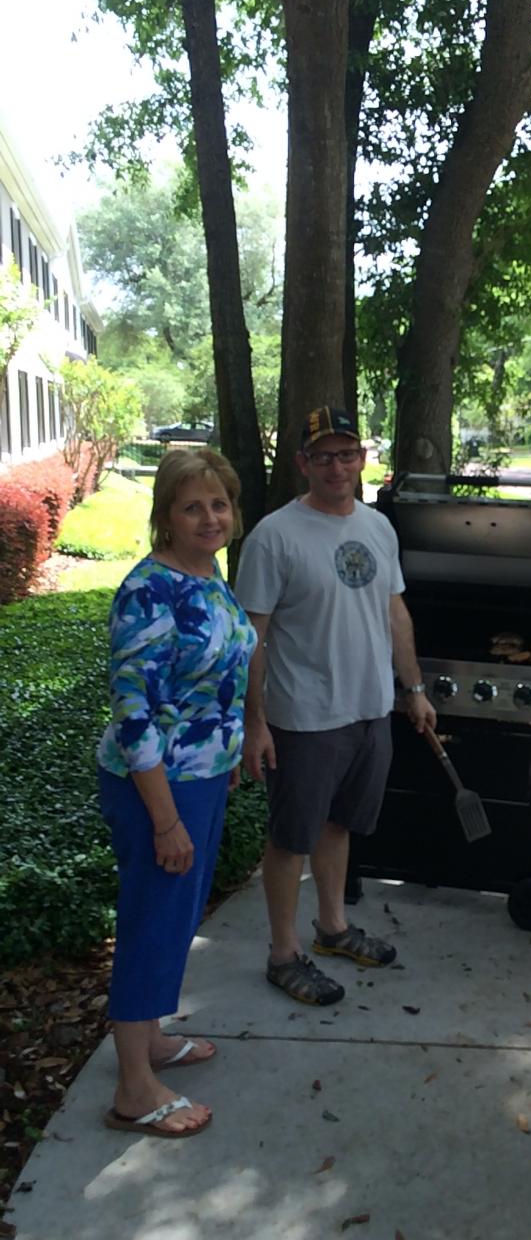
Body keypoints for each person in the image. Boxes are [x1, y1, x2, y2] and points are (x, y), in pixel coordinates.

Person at [235, 406, 436, 1006]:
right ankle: (282, 954)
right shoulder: (275, 535)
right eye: (323, 455)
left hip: (370, 709)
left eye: (347, 454)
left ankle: (332, 930)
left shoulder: (378, 527)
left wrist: (414, 690)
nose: (336, 465)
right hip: (303, 716)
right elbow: (253, 635)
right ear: (303, 463)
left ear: (362, 459)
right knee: (290, 837)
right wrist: (256, 720)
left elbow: (394, 612)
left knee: (339, 824)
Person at [98, 447, 257, 1138]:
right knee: (152, 922)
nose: (209, 517)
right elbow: (134, 714)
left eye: (218, 504)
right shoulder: (149, 591)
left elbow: (215, 678)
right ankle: (134, 1088)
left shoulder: (209, 574)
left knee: (173, 919)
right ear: (164, 514)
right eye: (192, 506)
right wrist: (164, 820)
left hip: (199, 777)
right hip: (154, 787)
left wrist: (241, 739)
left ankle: (152, 1038)